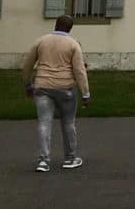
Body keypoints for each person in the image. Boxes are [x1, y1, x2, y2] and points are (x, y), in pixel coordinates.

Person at [21, 14, 91, 172]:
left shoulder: (41, 41)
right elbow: (79, 70)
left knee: (44, 123)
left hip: (42, 86)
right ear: (70, 28)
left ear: (55, 25)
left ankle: (43, 161)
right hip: (66, 87)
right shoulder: (73, 44)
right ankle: (70, 158)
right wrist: (85, 93)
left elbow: (27, 65)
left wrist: (28, 85)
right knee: (68, 122)